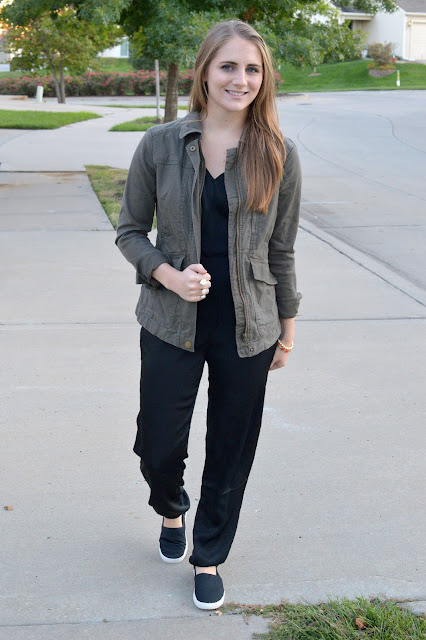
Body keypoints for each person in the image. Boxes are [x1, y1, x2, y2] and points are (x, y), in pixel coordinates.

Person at [115, 19, 302, 610]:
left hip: (250, 324)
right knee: (158, 445)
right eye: (228, 66)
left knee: (231, 446)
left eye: (252, 69)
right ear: (204, 71)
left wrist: (287, 331)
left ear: (264, 78)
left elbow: (282, 251)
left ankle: (209, 554)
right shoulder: (160, 145)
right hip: (171, 320)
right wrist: (168, 275)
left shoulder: (279, 153)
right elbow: (129, 231)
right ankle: (171, 508)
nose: (240, 79)